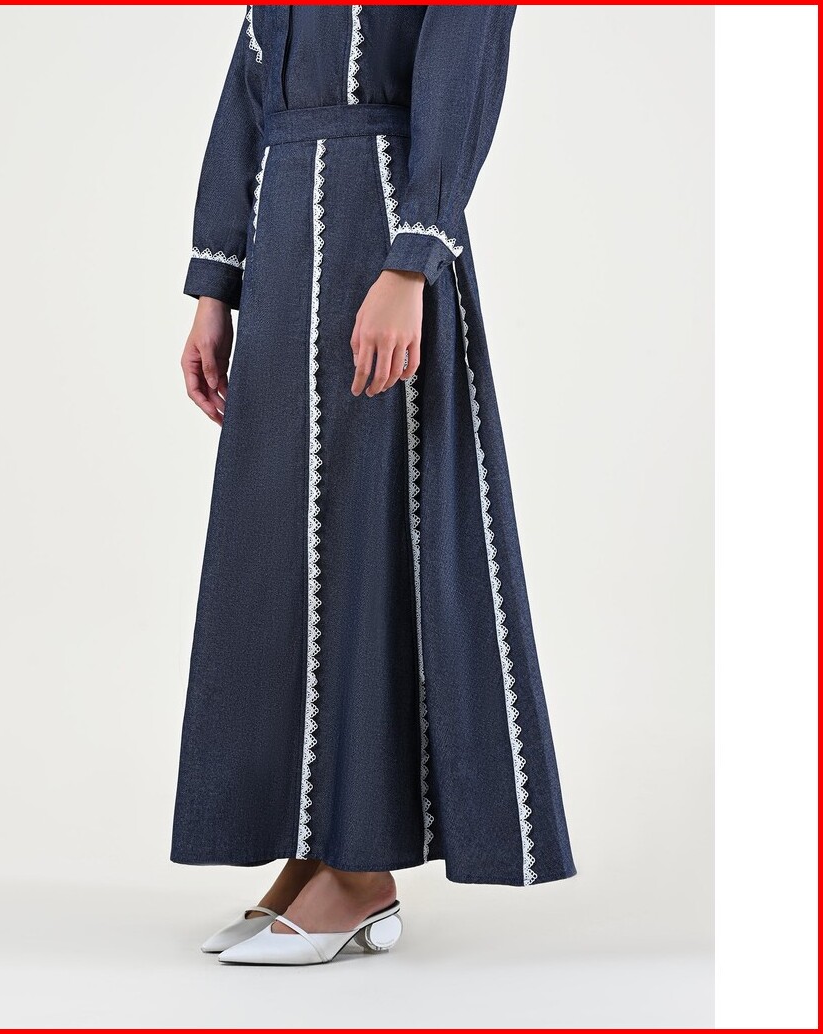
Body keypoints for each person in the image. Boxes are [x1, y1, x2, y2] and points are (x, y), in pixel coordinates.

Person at [173, 4, 575, 967]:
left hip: (380, 238)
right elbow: (245, 99)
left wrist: (413, 261)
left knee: (372, 538)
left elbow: (459, 76)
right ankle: (316, 849)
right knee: (275, 549)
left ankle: (364, 868)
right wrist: (214, 286)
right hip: (282, 254)